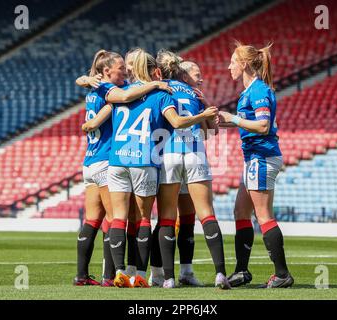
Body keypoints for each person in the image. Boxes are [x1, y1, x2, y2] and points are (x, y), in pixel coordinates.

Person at [102, 48, 218, 288]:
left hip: (121, 159)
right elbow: (190, 125)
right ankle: (146, 275)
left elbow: (114, 101)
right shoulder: (162, 93)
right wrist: (205, 113)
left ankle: (122, 272)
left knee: (125, 218)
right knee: (149, 218)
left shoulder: (120, 91)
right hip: (150, 159)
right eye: (195, 73)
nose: (128, 68)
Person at [75, 49, 171, 286]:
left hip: (90, 160)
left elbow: (90, 89)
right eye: (121, 67)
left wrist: (87, 79)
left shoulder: (96, 88)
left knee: (93, 220)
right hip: (111, 158)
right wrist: (155, 84)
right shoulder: (113, 91)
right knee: (121, 218)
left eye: (128, 66)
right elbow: (124, 98)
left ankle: (82, 275)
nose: (126, 71)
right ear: (106, 71)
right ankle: (114, 275)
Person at [218, 41, 294, 288]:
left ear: (244, 64)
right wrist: (221, 121)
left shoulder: (258, 90)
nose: (229, 66)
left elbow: (262, 126)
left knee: (263, 216)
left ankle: (282, 274)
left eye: (232, 61)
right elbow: (251, 123)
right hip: (254, 158)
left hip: (261, 158)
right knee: (240, 212)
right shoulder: (250, 91)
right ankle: (242, 271)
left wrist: (234, 119)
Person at [154, 49, 230, 289]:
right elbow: (210, 131)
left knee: (167, 217)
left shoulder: (157, 88)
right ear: (183, 74)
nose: (201, 77)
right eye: (196, 73)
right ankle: (219, 274)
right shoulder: (192, 94)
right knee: (204, 214)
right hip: (195, 153)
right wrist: (205, 108)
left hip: (170, 154)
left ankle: (168, 278)